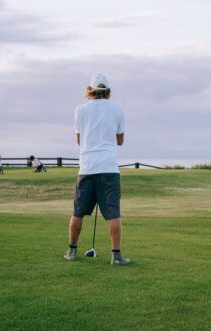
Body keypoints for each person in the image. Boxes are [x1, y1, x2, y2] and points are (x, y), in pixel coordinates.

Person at [64, 74, 130, 265]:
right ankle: (116, 257)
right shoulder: (117, 109)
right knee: (114, 214)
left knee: (77, 212)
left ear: (90, 89)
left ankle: (72, 252)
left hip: (87, 168)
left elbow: (79, 140)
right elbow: (120, 141)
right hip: (109, 168)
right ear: (108, 91)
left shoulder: (80, 110)